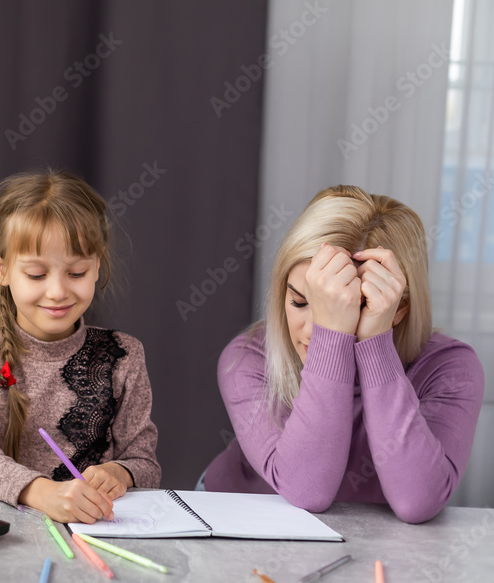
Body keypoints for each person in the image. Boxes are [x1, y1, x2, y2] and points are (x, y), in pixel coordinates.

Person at [204, 185, 484, 523]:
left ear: (398, 308)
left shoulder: (451, 368)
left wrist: (376, 343)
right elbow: (307, 491)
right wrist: (334, 336)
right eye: (299, 302)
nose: (314, 330)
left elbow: (418, 501)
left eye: (348, 306)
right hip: (233, 521)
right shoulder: (247, 358)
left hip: (367, 538)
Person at [0, 170, 161, 524]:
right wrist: (44, 494)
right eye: (37, 275)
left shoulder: (124, 355)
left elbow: (145, 462)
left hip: (93, 532)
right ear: (2, 269)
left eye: (76, 273)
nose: (57, 292)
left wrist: (120, 472)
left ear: (97, 266)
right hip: (3, 529)